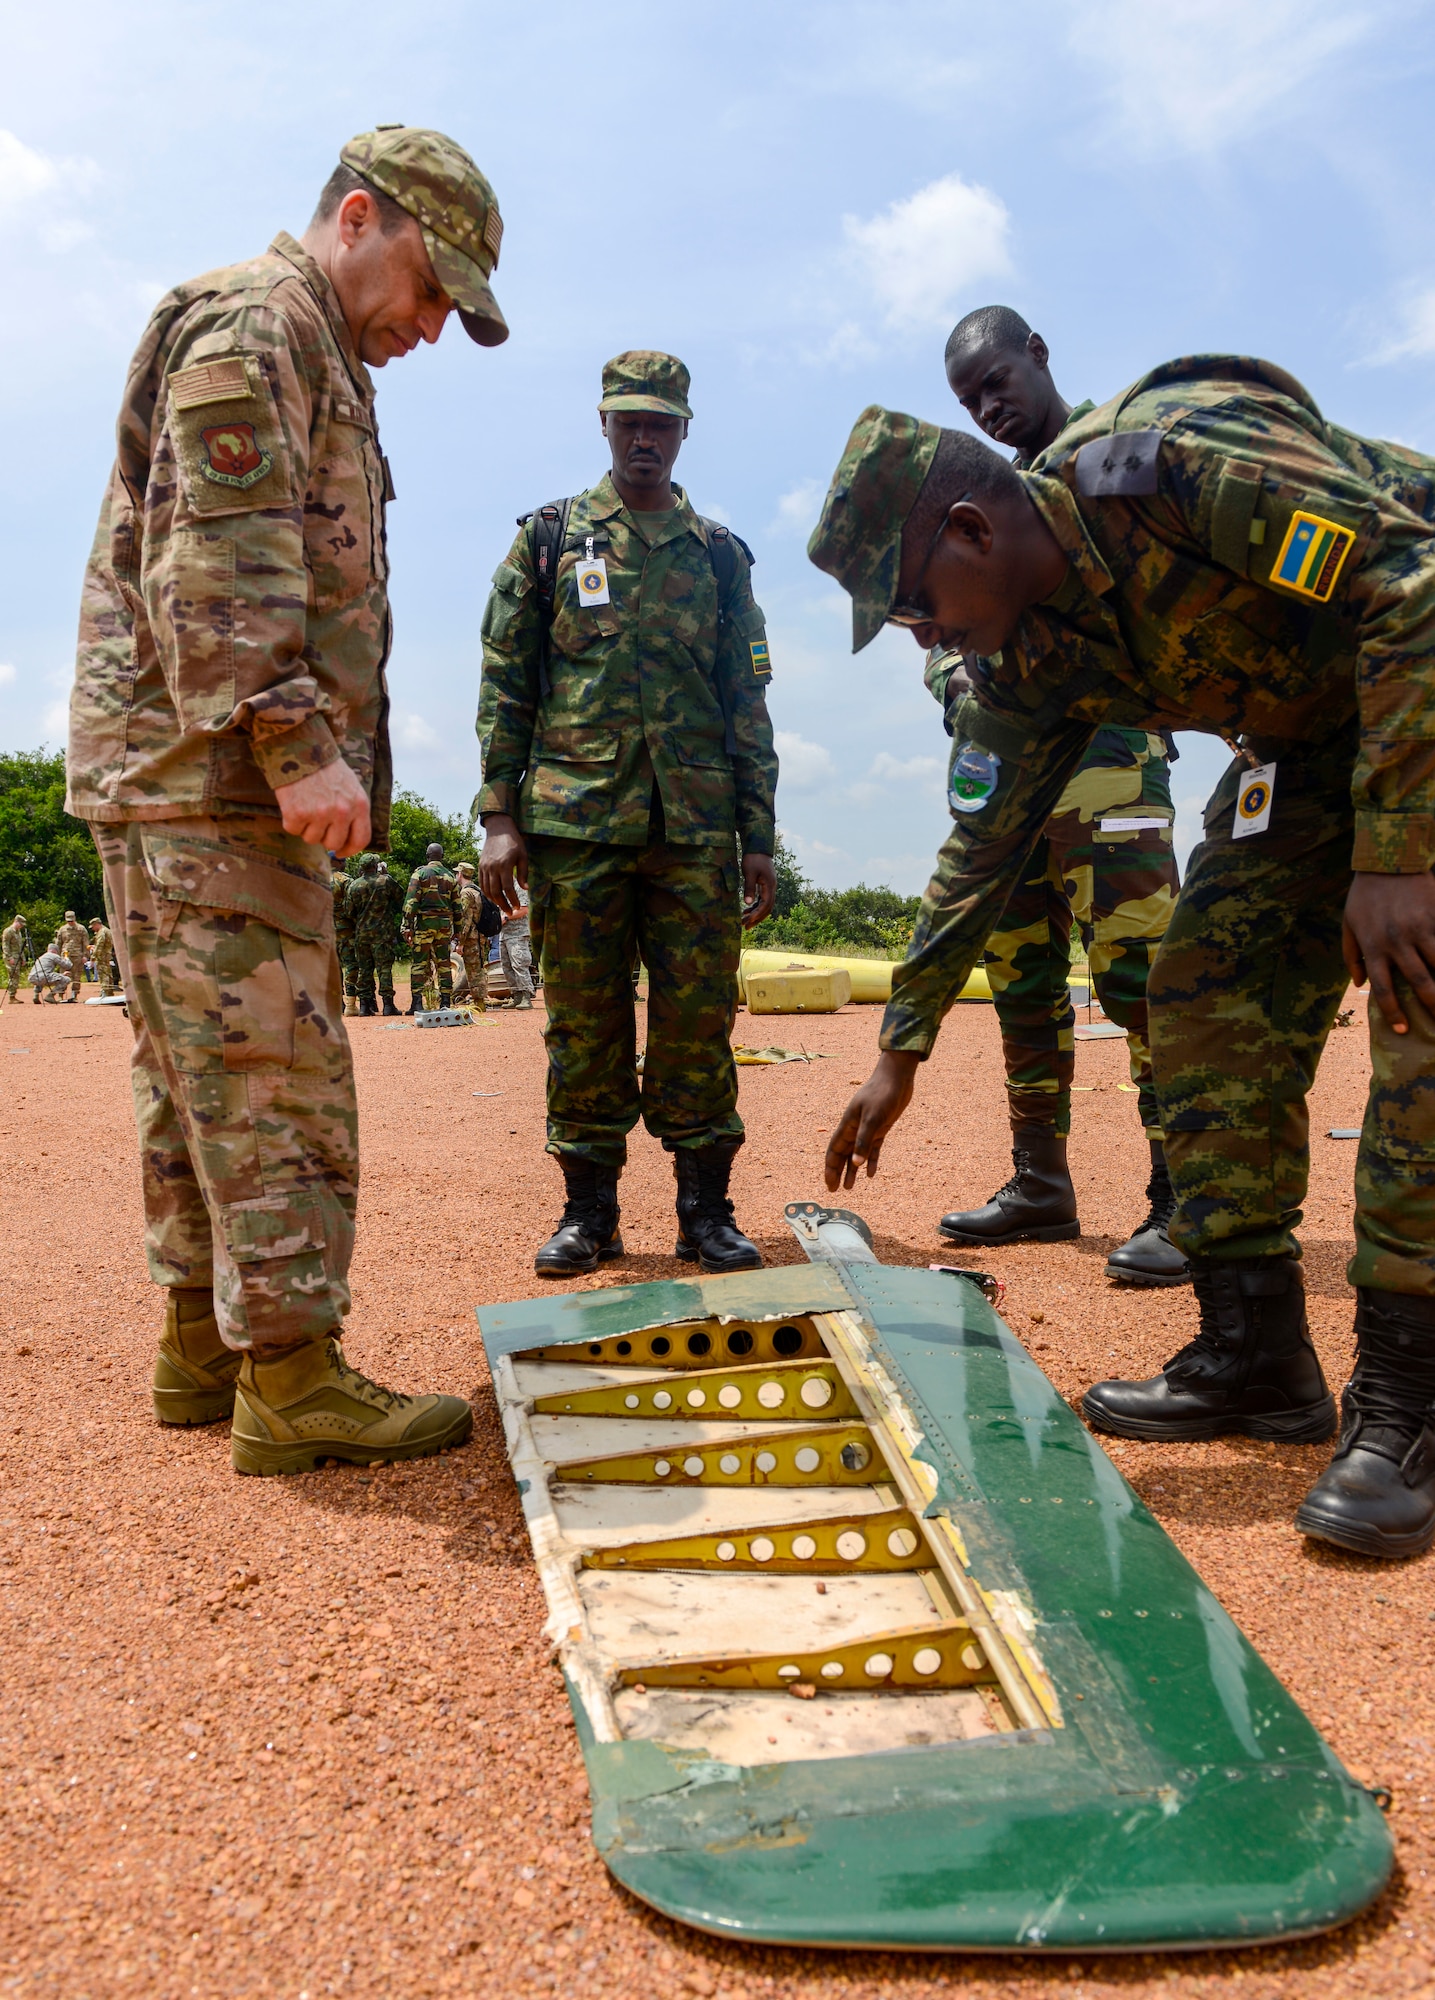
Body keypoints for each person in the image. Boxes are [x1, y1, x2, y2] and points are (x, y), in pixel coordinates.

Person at [808, 361, 1435, 1561]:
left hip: (1418, 668)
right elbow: (979, 846)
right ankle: (1254, 1356)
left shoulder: (1173, 465)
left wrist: (1399, 853)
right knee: (1200, 1002)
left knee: (1417, 994)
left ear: (972, 527)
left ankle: (1410, 1400)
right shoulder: (1025, 660)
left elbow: (1409, 577)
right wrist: (899, 1049)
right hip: (1309, 747)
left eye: (914, 606)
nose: (926, 637)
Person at [65, 125, 503, 1474]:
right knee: (275, 1076)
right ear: (361, 218)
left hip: (182, 775)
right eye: (433, 289)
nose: (431, 327)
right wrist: (294, 740)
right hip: (214, 779)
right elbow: (225, 555)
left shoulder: (300, 339)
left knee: (197, 1071)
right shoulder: (261, 324)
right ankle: (291, 1378)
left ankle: (204, 1345)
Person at [477, 350, 778, 1276]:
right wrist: (498, 812)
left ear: (684, 431)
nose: (643, 438)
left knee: (697, 1021)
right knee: (583, 1021)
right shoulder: (548, 542)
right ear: (603, 425)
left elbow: (746, 699)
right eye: (627, 421)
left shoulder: (720, 557)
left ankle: (705, 1212)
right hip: (576, 825)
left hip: (693, 828)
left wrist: (757, 837)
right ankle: (589, 1214)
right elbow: (505, 681)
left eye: (660, 423)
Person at [931, 309, 1184, 1284]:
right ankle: (1040, 1182)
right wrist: (954, 680)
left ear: (1037, 355)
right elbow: (943, 623)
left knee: (1139, 976)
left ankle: (1183, 1199)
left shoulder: (1109, 462)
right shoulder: (974, 499)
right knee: (1023, 979)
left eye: (996, 379)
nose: (989, 404)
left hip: (1107, 765)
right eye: (969, 397)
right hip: (1005, 784)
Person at [402, 842, 460, 1012]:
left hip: (424, 924)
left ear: (427, 856)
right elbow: (458, 907)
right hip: (444, 926)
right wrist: (457, 932)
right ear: (441, 856)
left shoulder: (419, 874)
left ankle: (417, 1003)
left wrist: (407, 926)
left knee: (419, 963)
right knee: (444, 963)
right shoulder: (451, 877)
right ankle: (445, 1003)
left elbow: (410, 903)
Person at [348, 854, 405, 1015]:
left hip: (362, 934)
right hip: (383, 934)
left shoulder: (354, 885)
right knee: (384, 969)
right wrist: (386, 874)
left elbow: (349, 911)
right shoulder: (385, 881)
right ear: (375, 865)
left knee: (364, 970)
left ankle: (365, 1006)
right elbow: (400, 896)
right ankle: (388, 1005)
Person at [452, 861, 495, 1010]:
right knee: (479, 967)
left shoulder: (466, 893)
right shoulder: (477, 890)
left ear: (460, 874)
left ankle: (479, 1003)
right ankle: (480, 1000)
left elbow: (466, 920)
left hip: (471, 937)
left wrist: (460, 942)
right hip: (480, 936)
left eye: (456, 873)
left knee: (473, 969)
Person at [499, 881, 535, 1009]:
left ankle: (526, 996)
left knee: (519, 964)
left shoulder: (518, 887)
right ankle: (517, 996)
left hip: (518, 933)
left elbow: (524, 910)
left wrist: (506, 918)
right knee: (506, 966)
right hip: (504, 934)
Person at [332, 862, 360, 1016]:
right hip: (345, 929)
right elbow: (352, 906)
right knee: (350, 964)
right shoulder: (345, 880)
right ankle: (350, 1004)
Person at [57, 910, 89, 1003]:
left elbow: (85, 943)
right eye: (68, 921)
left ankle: (74, 995)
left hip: (78, 956)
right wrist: (57, 957)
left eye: (71, 920)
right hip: (65, 957)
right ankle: (60, 995)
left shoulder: (81, 929)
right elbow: (58, 943)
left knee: (77, 977)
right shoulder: (62, 929)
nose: (70, 922)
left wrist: (85, 956)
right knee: (63, 975)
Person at [2, 915, 30, 1003]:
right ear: (16, 922)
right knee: (13, 976)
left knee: (16, 976)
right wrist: (9, 957)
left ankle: (13, 996)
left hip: (17, 956)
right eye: (21, 924)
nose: (22, 926)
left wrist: (23, 958)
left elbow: (20, 946)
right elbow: (5, 945)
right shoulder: (8, 931)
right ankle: (11, 996)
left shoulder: (18, 932)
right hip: (11, 957)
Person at [89, 916, 118, 996]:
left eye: (93, 926)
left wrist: (93, 958)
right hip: (107, 955)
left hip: (102, 956)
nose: (93, 929)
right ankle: (109, 992)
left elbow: (99, 945)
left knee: (103, 974)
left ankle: (104, 992)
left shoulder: (102, 932)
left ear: (97, 924)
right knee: (108, 974)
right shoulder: (107, 930)